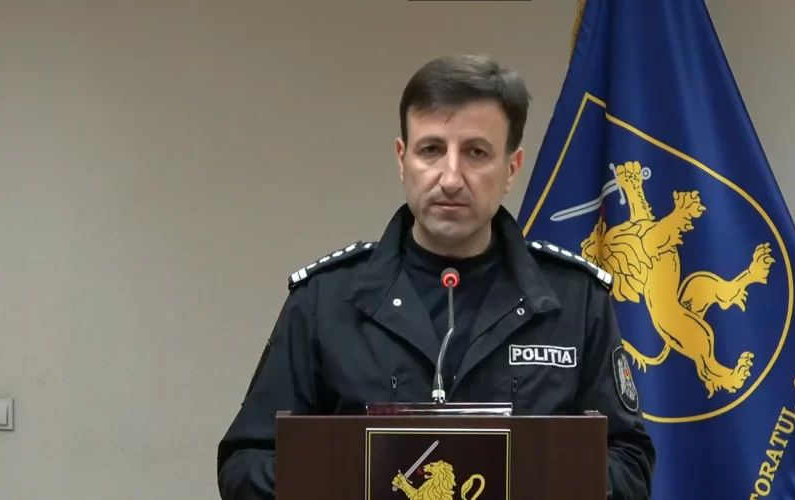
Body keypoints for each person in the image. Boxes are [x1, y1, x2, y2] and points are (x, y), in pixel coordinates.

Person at [216, 54, 656, 499]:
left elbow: (629, 464)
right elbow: (246, 463)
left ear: (511, 169)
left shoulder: (575, 300)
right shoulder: (325, 300)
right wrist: (351, 483)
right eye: (431, 150)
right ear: (402, 160)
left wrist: (528, 483)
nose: (450, 178)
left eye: (476, 153)